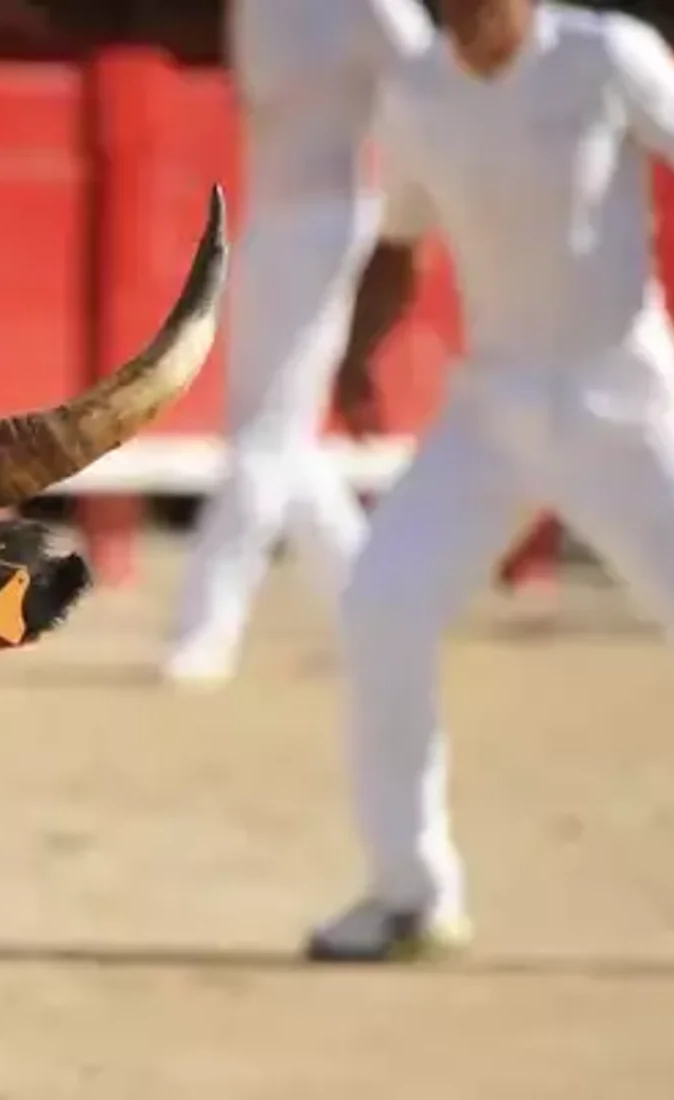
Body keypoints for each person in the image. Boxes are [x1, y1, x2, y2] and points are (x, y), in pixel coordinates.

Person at [308, 0, 674, 962]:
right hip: (493, 406)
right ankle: (411, 891)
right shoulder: (418, 87)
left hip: (625, 399)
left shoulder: (605, 55)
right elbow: (402, 237)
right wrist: (358, 351)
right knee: (382, 603)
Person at [163, 0, 436, 687]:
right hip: (275, 219)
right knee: (281, 439)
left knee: (264, 436)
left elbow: (436, 84)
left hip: (332, 218)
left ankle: (207, 628)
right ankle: (382, 613)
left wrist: (414, 200)